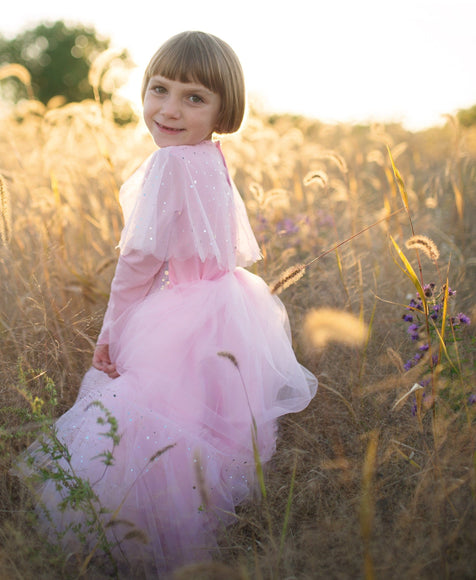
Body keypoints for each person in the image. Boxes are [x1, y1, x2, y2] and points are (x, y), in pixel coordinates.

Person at [18, 31, 317, 578]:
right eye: (160, 89)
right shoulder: (209, 157)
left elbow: (137, 261)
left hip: (179, 313)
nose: (169, 109)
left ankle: (140, 537)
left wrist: (111, 330)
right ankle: (198, 525)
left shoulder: (169, 164)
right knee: (201, 421)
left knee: (146, 419)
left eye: (194, 97)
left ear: (224, 109)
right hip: (228, 309)